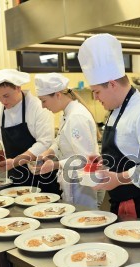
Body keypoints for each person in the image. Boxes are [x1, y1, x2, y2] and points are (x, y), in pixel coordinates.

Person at [78, 33, 140, 224]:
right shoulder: (116, 110)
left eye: (97, 92)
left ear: (112, 84)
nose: (96, 98)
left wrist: (119, 177)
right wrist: (105, 160)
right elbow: (127, 150)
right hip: (124, 201)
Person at [0, 69, 60, 194]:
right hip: (15, 175)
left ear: (18, 88)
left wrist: (15, 162)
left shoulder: (37, 107)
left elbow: (44, 143)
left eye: (6, 96)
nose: (3, 101)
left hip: (41, 171)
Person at [31, 73, 98, 208]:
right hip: (71, 182)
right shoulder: (66, 113)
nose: (43, 106)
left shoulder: (76, 117)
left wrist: (55, 165)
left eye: (44, 101)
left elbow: (86, 159)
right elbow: (60, 138)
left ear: (57, 95)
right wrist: (48, 152)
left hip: (81, 186)